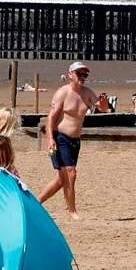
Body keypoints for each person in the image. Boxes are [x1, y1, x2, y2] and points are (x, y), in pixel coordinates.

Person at [39, 62, 99, 214]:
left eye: (85, 75)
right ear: (70, 74)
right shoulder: (62, 93)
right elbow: (51, 118)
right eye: (79, 74)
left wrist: (103, 104)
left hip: (75, 141)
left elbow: (101, 108)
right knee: (71, 173)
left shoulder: (87, 93)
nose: (82, 77)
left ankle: (36, 203)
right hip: (60, 138)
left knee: (61, 180)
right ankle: (72, 211)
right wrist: (50, 139)